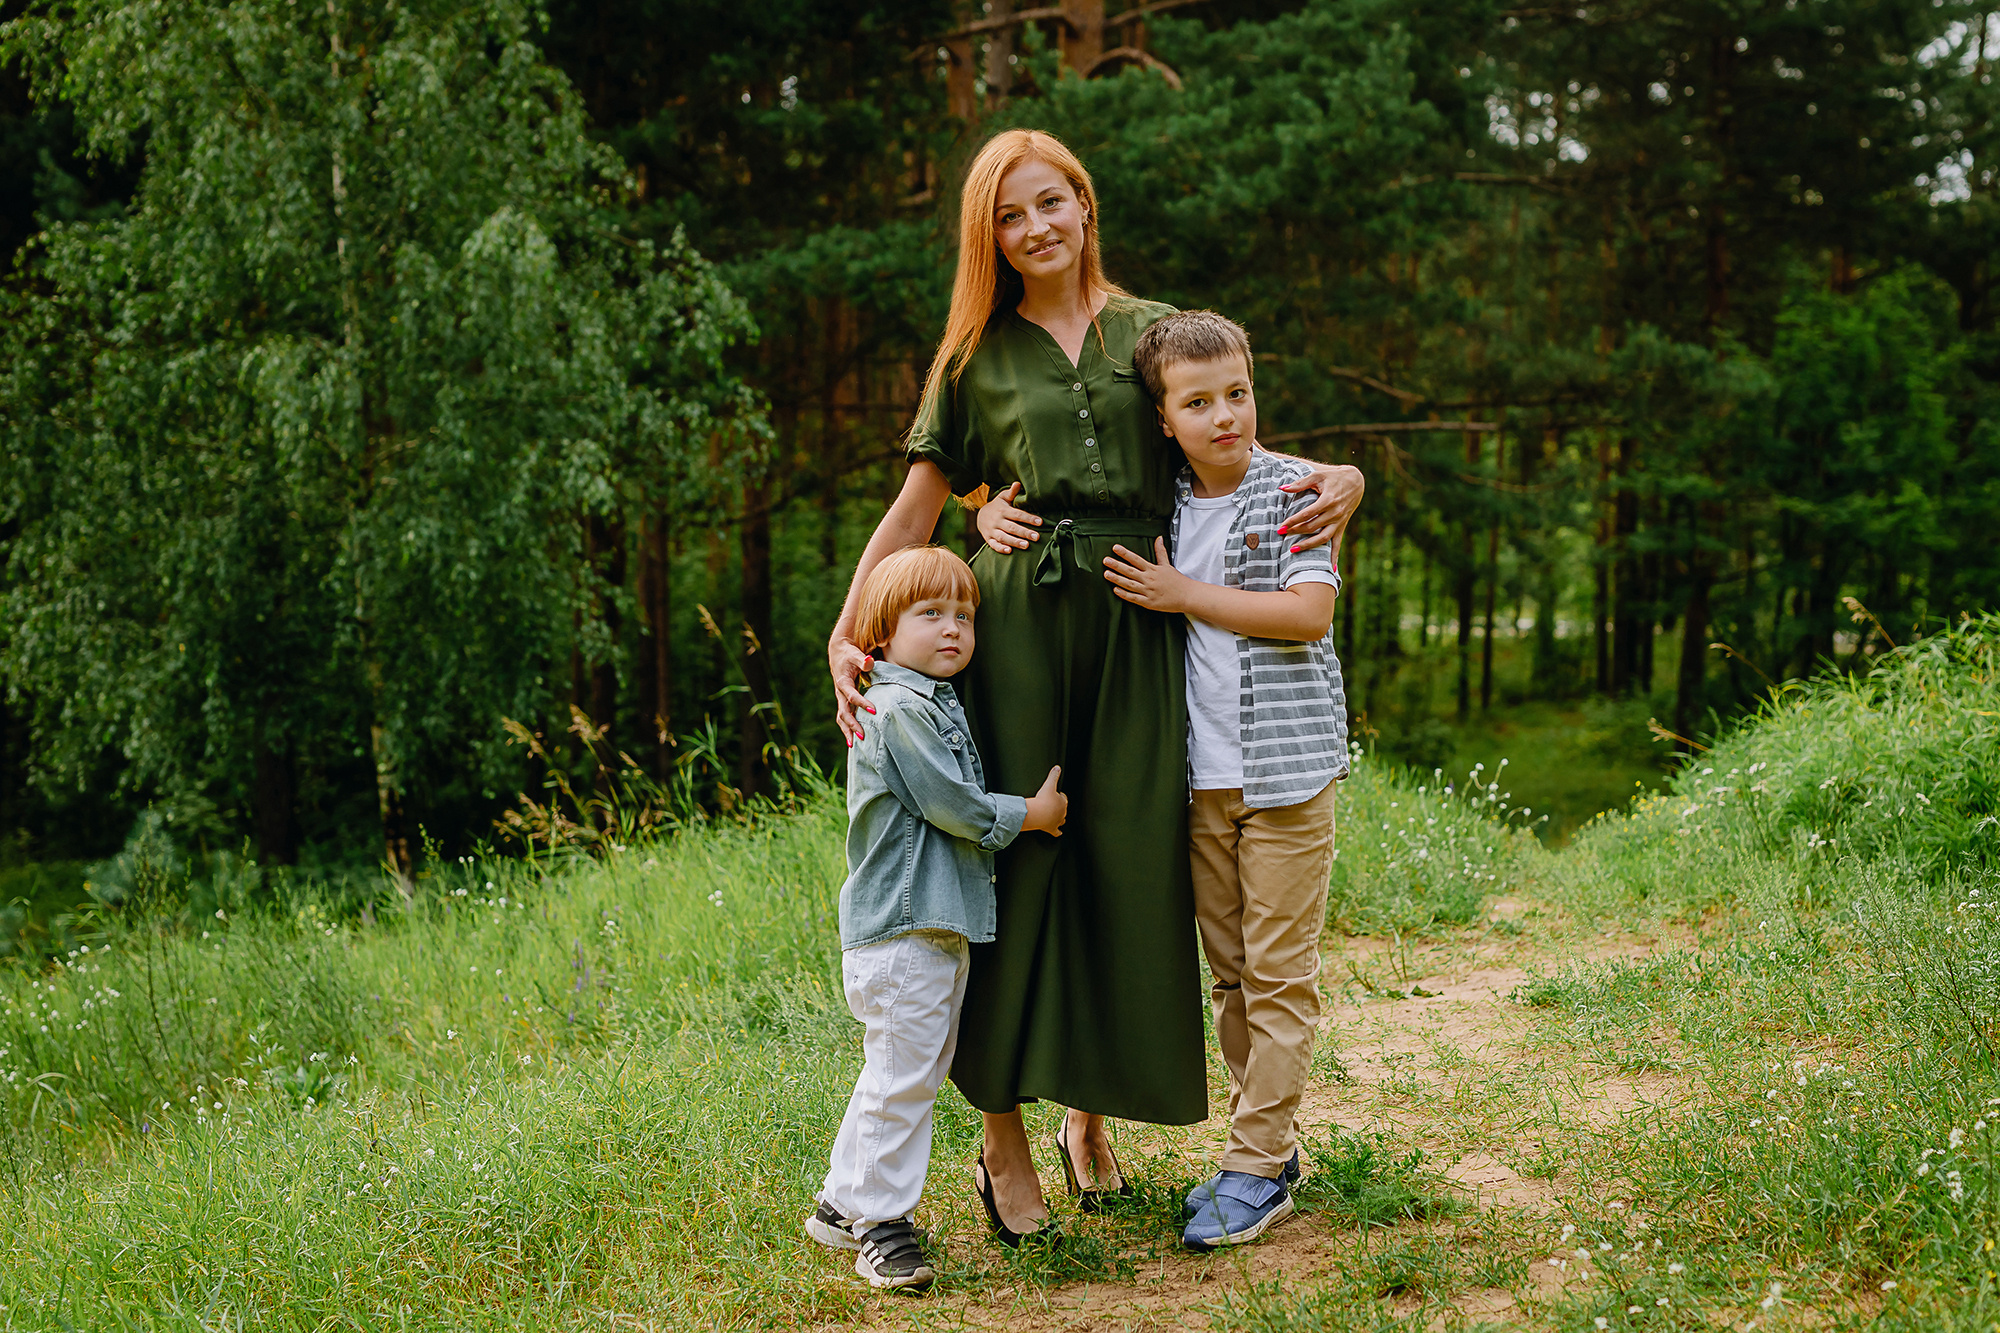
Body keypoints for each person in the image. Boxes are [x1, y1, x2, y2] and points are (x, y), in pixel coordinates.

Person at [826, 128, 1364, 1242]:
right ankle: (1001, 1138)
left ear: (1082, 204)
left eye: (1050, 203)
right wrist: (848, 627)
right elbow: (919, 508)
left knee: (1128, 865)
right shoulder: (972, 355)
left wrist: (1341, 475)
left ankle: (1089, 1118)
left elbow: (1228, 442)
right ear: (991, 237)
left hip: (1139, 627)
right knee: (1018, 874)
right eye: (1009, 217)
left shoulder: (1147, 333)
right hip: (1016, 633)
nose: (1035, 230)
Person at [1101, 311, 1349, 1250]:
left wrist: (1183, 595)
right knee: (1233, 976)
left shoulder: (1296, 491)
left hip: (1286, 776)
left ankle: (1252, 1166)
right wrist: (977, 505)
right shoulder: (1156, 501)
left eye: (1237, 393)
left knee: (1281, 977)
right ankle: (1269, 1144)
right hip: (1200, 780)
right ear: (1164, 417)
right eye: (1197, 402)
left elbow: (1306, 616)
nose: (1223, 416)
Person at [809, 544, 1069, 1291]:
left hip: (926, 928)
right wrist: (1033, 813)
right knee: (903, 1081)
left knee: (899, 1072)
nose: (953, 628)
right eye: (931, 614)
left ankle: (839, 1203)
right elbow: (953, 807)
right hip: (903, 931)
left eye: (964, 614)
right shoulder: (898, 711)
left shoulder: (926, 700)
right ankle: (882, 1228)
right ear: (881, 633)